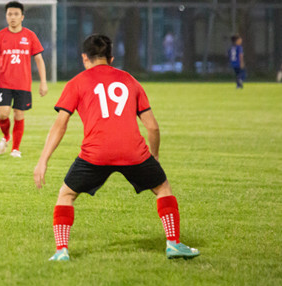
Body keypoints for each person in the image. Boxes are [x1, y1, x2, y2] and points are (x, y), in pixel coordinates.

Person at [33, 34, 200, 261]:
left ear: (85, 58)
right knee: (162, 188)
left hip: (95, 154)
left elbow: (60, 125)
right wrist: (155, 156)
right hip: (134, 152)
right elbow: (153, 127)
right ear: (111, 58)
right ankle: (173, 244)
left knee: (67, 194)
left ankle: (61, 251)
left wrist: (43, 159)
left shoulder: (77, 83)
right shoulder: (130, 80)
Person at [0, 1, 48, 158]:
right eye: (9, 14)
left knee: (19, 114)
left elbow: (39, 59)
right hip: (4, 83)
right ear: (6, 16)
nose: (12, 17)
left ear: (22, 17)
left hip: (23, 84)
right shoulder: (0, 36)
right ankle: (6, 136)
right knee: (3, 114)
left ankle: (15, 149)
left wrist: (43, 82)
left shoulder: (30, 36)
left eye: (16, 14)